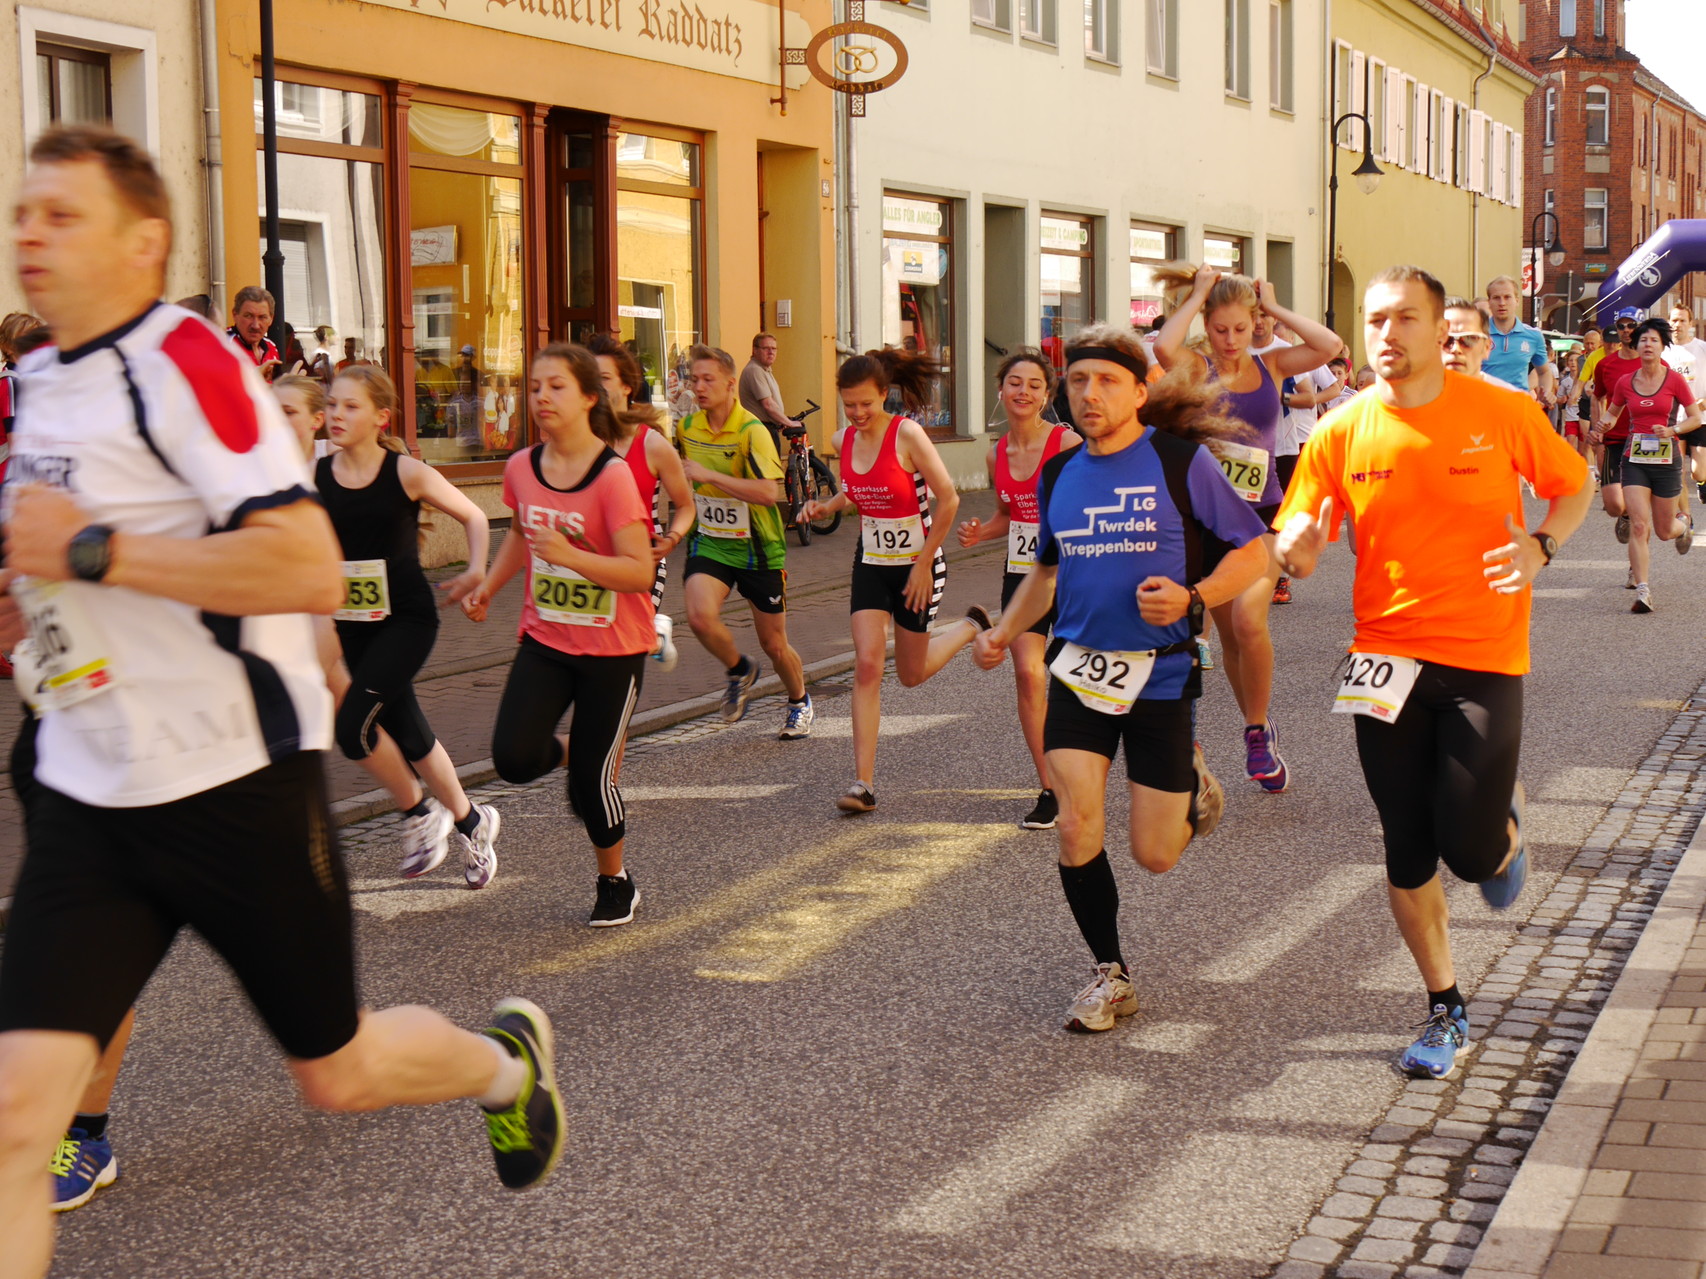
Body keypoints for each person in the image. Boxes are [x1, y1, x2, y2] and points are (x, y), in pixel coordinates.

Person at [0, 127, 564, 1276]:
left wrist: (94, 551)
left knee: (338, 1069)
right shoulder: (41, 381)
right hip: (88, 787)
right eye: (23, 213)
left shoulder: (187, 366)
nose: (28, 233)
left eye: (62, 214)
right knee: (17, 1118)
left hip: (230, 782)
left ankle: (505, 1063)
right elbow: (50, 562)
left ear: (142, 239)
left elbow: (303, 568)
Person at [1274, 264, 1592, 1079]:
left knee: (1473, 851)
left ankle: (1502, 830)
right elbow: (1301, 528)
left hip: (1483, 654)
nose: (1388, 333)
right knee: (1406, 844)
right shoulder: (1339, 429)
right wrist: (1297, 548)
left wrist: (1539, 544)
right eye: (1375, 319)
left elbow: (1572, 482)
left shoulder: (1500, 409)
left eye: (1405, 318)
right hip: (1383, 660)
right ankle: (1445, 1005)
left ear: (1436, 327)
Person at [972, 324, 1271, 1032]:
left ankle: (1192, 780)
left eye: (1106, 380)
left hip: (1161, 676)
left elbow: (1253, 551)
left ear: (1140, 391)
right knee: (1075, 820)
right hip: (1077, 671)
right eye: (1077, 381)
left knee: (1155, 853)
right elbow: (1045, 569)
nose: (1088, 393)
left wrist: (1196, 598)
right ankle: (1110, 972)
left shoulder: (1178, 461)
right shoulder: (1058, 473)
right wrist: (1007, 631)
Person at [464, 344, 658, 927]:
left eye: (556, 387)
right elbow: (523, 536)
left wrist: (572, 556)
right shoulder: (522, 466)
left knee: (591, 793)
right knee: (514, 758)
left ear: (588, 398)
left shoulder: (612, 476)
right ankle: (583, 754)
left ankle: (614, 880)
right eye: (534, 387)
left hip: (613, 648)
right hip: (546, 639)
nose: (541, 397)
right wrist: (491, 586)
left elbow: (639, 571)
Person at [1153, 265, 1340, 794]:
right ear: (1206, 328)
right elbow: (1166, 345)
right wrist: (1198, 295)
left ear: (1254, 324)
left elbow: (1329, 344)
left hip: (1260, 520)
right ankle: (1255, 728)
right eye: (1220, 330)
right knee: (1231, 637)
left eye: (1241, 328)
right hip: (1208, 518)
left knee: (1248, 620)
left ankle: (1258, 730)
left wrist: (1273, 306)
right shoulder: (1193, 366)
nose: (1232, 340)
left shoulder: (1274, 364)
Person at [319, 366, 502, 883]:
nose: (336, 414)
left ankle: (420, 814)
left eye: (350, 406)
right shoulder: (316, 479)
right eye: (331, 404)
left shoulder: (404, 473)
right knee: (411, 734)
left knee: (354, 730)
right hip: (352, 626)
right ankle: (472, 821)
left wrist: (475, 571)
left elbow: (475, 516)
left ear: (381, 417)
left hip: (407, 621)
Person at [798, 348, 968, 815]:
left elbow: (949, 499)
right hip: (871, 562)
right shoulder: (843, 438)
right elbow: (853, 489)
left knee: (911, 676)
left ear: (883, 395)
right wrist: (824, 507)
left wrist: (922, 563)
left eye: (865, 404)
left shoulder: (907, 434)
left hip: (918, 563)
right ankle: (863, 784)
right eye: (849, 404)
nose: (856, 414)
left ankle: (968, 629)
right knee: (868, 665)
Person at [955, 350, 1082, 828]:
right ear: (1001, 390)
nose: (1023, 391)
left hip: (1071, 577)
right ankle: (1050, 786)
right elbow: (1011, 516)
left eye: (1033, 384)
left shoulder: (1066, 442)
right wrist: (980, 532)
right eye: (1014, 383)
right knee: (1029, 675)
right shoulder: (995, 454)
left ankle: (1086, 766)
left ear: (1047, 395)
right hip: (1022, 575)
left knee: (1074, 677)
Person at [677, 344, 812, 736]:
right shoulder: (687, 428)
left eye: (708, 380)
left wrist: (712, 476)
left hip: (758, 549)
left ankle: (798, 699)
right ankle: (739, 669)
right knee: (700, 617)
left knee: (774, 645)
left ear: (730, 384)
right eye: (694, 380)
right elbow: (681, 483)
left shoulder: (752, 431)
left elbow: (770, 494)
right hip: (712, 542)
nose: (699, 388)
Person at [588, 334, 694, 672]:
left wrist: (672, 539)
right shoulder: (577, 441)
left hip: (641, 560)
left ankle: (651, 632)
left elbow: (686, 505)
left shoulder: (653, 445)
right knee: (590, 655)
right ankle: (653, 634)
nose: (597, 387)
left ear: (626, 387)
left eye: (604, 379)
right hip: (588, 559)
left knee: (619, 658)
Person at [1607, 317, 1701, 612]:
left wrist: (1672, 431)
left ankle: (1683, 525)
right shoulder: (1626, 382)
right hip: (1633, 459)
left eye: (1654, 340)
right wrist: (1601, 426)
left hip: (1666, 460)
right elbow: (1612, 413)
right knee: (1638, 524)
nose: (1647, 344)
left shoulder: (1674, 380)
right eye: (1643, 340)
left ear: (1663, 347)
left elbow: (1695, 418)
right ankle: (1643, 590)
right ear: (1637, 345)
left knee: (1663, 530)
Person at [1589, 310, 1646, 571]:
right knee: (1613, 504)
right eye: (1621, 325)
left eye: (1631, 325)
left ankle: (1637, 569)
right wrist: (1596, 427)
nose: (1625, 330)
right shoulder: (1606, 365)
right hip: (1614, 439)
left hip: (1644, 441)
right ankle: (1622, 515)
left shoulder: (1654, 362)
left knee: (1640, 511)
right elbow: (1596, 396)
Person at [1665, 306, 1706, 500]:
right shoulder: (1663, 352)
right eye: (1674, 320)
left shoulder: (1702, 348)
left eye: (1682, 320)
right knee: (1677, 471)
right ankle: (1683, 515)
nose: (1677, 325)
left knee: (1698, 471)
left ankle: (1702, 482)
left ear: (1690, 324)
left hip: (1700, 417)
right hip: (1674, 419)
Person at [1482, 276, 1549, 393]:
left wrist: (1546, 392)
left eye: (1507, 297)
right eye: (1496, 298)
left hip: (1517, 406)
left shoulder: (1533, 336)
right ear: (1489, 302)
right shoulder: (1477, 334)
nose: (1502, 303)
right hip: (1484, 405)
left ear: (1517, 301)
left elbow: (1544, 372)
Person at [738, 332, 796, 453]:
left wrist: (781, 420)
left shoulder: (764, 370)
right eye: (766, 348)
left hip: (768, 429)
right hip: (761, 430)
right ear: (755, 350)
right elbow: (768, 405)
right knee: (768, 471)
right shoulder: (755, 370)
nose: (771, 352)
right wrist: (789, 422)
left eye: (774, 348)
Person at [227, 284, 280, 380]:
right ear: (235, 315)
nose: (255, 325)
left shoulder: (271, 347)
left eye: (262, 317)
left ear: (271, 319)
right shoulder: (222, 344)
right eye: (248, 316)